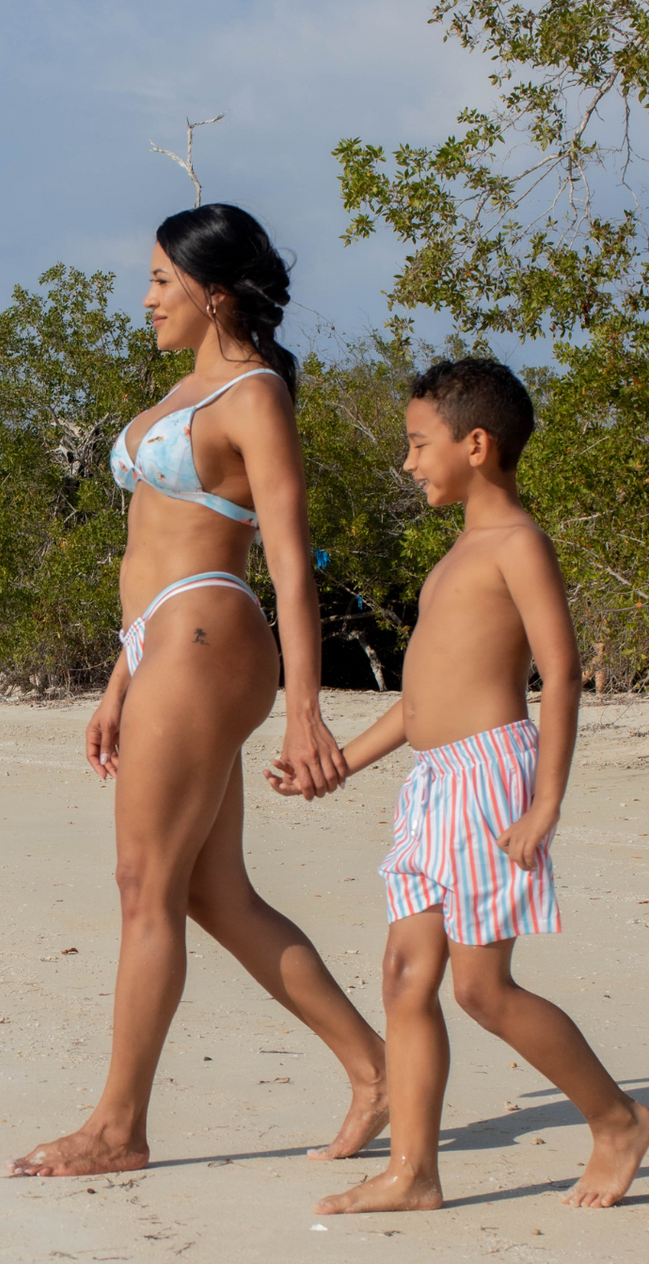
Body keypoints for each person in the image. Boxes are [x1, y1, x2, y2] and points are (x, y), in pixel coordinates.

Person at [11, 204, 387, 1178]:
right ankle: (375, 1069)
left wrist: (306, 706)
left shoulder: (255, 396)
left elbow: (291, 566)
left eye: (160, 282)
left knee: (145, 886)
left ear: (213, 292)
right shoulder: (183, 388)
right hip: (159, 642)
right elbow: (147, 546)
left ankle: (115, 1126)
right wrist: (116, 679)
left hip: (210, 630)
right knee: (214, 893)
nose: (144, 300)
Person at [267, 355, 649, 1213]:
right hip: (432, 782)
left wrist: (545, 801)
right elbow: (417, 707)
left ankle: (618, 1118)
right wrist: (333, 766)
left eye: (415, 444)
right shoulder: (455, 558)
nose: (408, 463)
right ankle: (414, 1173)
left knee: (481, 988)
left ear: (474, 444)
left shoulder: (515, 544)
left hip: (490, 776)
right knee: (405, 977)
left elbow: (562, 671)